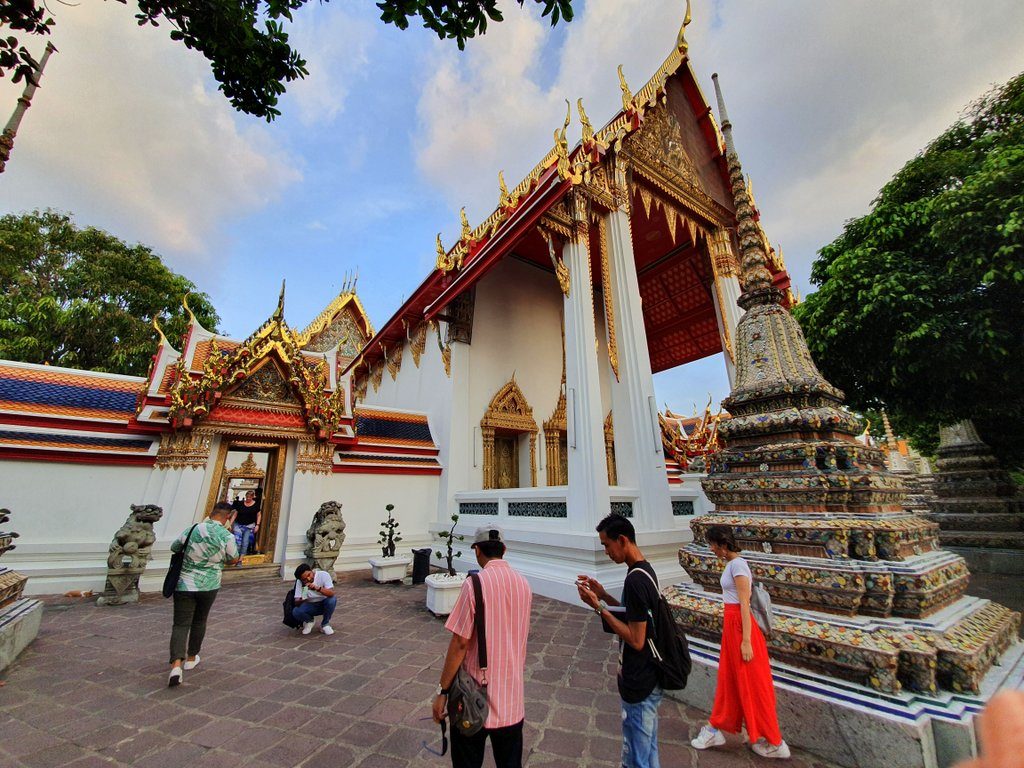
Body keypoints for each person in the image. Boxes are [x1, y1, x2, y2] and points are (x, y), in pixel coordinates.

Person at [431, 526, 532, 768]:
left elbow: (460, 642)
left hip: (474, 697)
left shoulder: (474, 584)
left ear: (477, 551)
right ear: (504, 550)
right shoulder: (524, 585)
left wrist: (442, 691)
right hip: (511, 698)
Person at [690, 525, 790, 759]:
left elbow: (745, 604)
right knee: (731, 681)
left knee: (752, 684)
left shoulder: (738, 565)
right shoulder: (731, 564)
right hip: (732, 625)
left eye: (713, 545)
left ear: (723, 545)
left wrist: (746, 641)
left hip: (741, 628)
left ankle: (775, 740)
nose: (711, 549)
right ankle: (716, 727)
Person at [577, 513, 663, 768]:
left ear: (622, 540)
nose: (605, 551)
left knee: (636, 759)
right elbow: (632, 616)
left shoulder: (636, 581)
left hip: (639, 679)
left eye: (606, 544)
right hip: (649, 676)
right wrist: (603, 595)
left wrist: (598, 608)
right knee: (648, 753)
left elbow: (636, 639)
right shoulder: (643, 571)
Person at [167, 502, 240, 687]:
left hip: (184, 583)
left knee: (180, 624)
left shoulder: (193, 528)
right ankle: (192, 657)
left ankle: (176, 665)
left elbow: (175, 547)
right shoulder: (226, 535)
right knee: (200, 620)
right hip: (209, 584)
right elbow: (233, 559)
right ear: (227, 517)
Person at [292, 563, 336, 635]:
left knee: (332, 600)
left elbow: (331, 593)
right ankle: (309, 621)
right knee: (296, 611)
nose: (308, 579)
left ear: (311, 571)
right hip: (310, 605)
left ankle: (325, 624)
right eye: (304, 579)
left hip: (324, 603)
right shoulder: (299, 582)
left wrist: (317, 588)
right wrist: (303, 598)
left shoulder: (323, 575)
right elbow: (296, 602)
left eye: (309, 575)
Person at [232, 488, 262, 558]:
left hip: (249, 526)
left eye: (249, 497)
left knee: (245, 542)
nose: (248, 498)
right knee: (237, 541)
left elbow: (259, 515)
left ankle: (242, 557)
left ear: (252, 497)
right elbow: (235, 514)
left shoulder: (256, 505)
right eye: (247, 497)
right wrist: (231, 523)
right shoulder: (240, 504)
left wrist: (257, 525)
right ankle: (236, 556)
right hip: (238, 524)